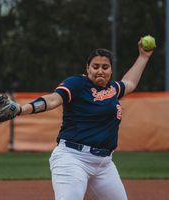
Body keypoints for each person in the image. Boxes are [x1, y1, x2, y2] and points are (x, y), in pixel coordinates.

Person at [15, 38, 155, 200]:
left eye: (105, 67)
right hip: (73, 158)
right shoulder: (78, 84)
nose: (100, 71)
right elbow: (52, 100)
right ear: (87, 68)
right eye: (95, 67)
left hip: (104, 164)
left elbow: (129, 82)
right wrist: (22, 109)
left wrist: (143, 57)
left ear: (111, 70)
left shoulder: (113, 89)